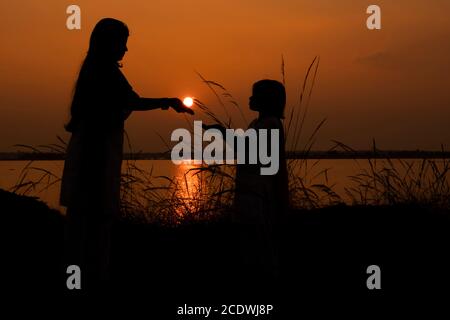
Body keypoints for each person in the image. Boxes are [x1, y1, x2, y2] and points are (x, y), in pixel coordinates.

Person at [60, 18, 194, 291]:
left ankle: (80, 278)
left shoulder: (95, 70)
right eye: (123, 43)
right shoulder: (105, 72)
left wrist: (165, 102)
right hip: (95, 154)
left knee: (83, 222)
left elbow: (128, 101)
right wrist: (167, 102)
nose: (126, 49)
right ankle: (93, 280)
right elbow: (131, 101)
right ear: (109, 44)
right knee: (95, 221)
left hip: (91, 150)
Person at [204, 79, 289, 285]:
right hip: (249, 192)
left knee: (261, 243)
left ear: (267, 100)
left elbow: (249, 149)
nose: (250, 98)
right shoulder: (257, 124)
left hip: (261, 193)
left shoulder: (270, 124)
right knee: (250, 242)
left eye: (255, 94)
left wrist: (222, 132)